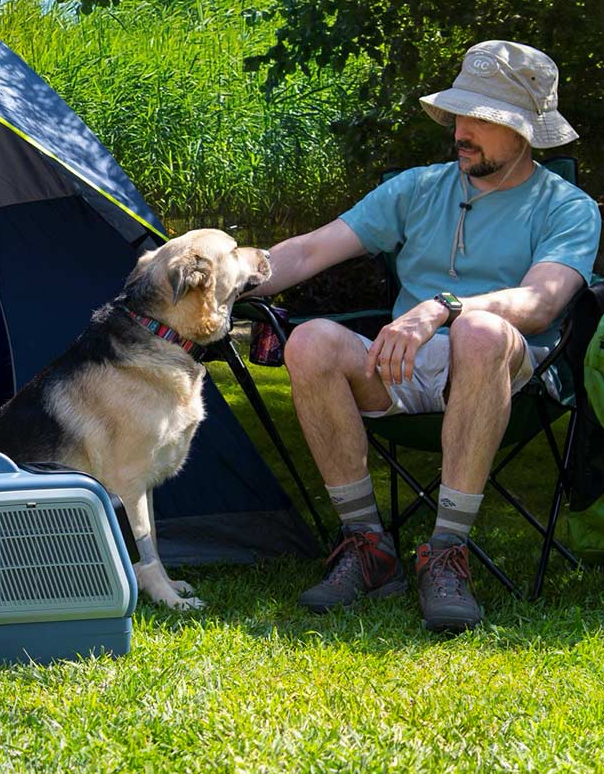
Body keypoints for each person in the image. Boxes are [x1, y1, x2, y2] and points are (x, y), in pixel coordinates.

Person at [250, 40, 602, 631]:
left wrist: (441, 307)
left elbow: (540, 305)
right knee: (309, 341)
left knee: (484, 331)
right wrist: (222, 278)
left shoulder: (566, 207)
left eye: (484, 120)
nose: (464, 130)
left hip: (509, 375)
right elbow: (309, 249)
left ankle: (446, 550)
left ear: (526, 132)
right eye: (462, 113)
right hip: (403, 368)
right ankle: (368, 548)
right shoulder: (417, 189)